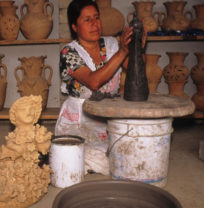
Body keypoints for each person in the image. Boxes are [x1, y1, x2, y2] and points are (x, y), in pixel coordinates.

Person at [55, 0, 146, 174]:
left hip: (109, 115)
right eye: (87, 20)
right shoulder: (69, 53)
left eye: (96, 18)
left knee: (133, 149)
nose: (94, 24)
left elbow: (137, 71)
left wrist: (136, 49)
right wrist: (123, 52)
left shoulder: (112, 44)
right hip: (80, 119)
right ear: (74, 26)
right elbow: (93, 81)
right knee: (103, 159)